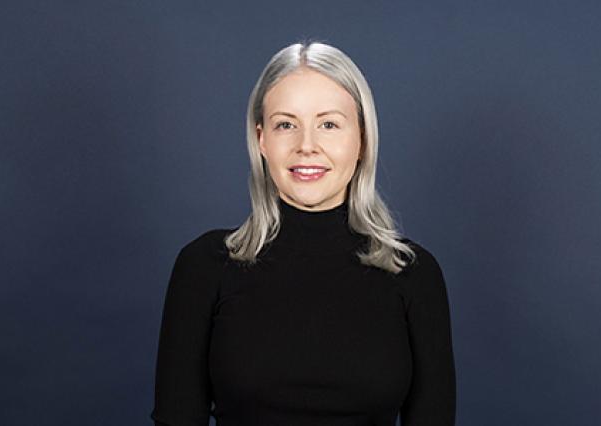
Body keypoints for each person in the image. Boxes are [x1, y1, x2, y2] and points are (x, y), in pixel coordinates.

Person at [150, 40, 456, 426]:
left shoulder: (414, 274)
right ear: (261, 140)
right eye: (286, 125)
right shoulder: (204, 267)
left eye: (328, 124)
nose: (306, 146)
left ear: (362, 140)